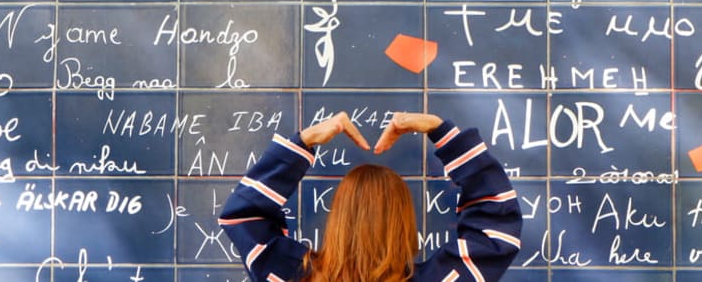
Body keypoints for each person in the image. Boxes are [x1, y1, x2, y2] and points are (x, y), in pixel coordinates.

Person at [218, 111, 522, 281]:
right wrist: (441, 130)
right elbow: (495, 226)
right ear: (404, 222)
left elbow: (243, 216)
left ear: (338, 217)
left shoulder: (291, 275)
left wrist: (303, 142)